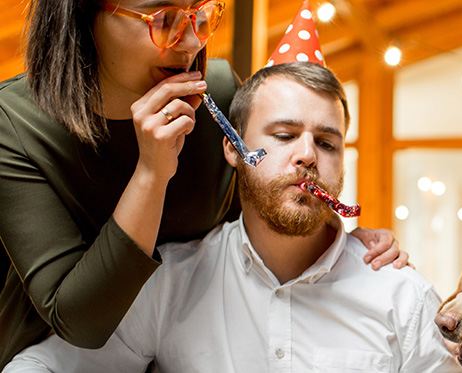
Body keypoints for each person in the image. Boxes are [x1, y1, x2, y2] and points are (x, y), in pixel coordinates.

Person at [0, 0, 402, 366]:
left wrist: (338, 240)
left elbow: (265, 206)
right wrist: (151, 174)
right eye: (165, 20)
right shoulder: (13, 124)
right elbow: (80, 323)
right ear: (86, 15)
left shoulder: (220, 91)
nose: (192, 41)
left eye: (202, 15)